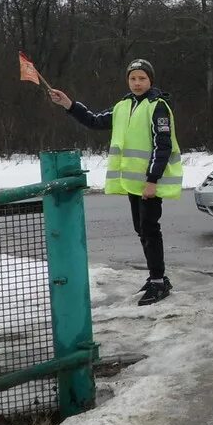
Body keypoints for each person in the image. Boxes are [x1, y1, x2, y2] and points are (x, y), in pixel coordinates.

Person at [49, 58, 181, 306]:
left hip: (149, 183)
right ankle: (157, 276)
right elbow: (95, 120)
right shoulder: (124, 105)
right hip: (134, 183)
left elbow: (162, 147)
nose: (137, 82)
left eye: (142, 78)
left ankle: (158, 281)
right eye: (133, 78)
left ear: (150, 80)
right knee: (142, 229)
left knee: (150, 230)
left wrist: (152, 180)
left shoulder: (158, 106)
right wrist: (69, 104)